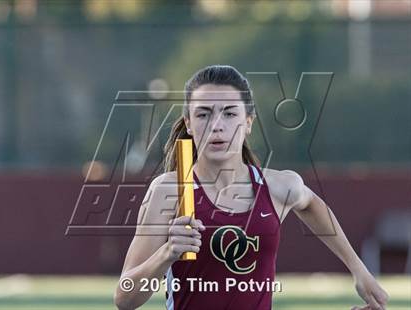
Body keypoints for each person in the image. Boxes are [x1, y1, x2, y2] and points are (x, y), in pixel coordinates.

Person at [114, 65, 389, 310]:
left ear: (248, 123)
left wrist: (359, 270)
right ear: (189, 123)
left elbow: (312, 205)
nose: (217, 126)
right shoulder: (168, 191)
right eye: (204, 114)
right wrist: (167, 253)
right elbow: (124, 299)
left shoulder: (279, 186)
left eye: (230, 113)